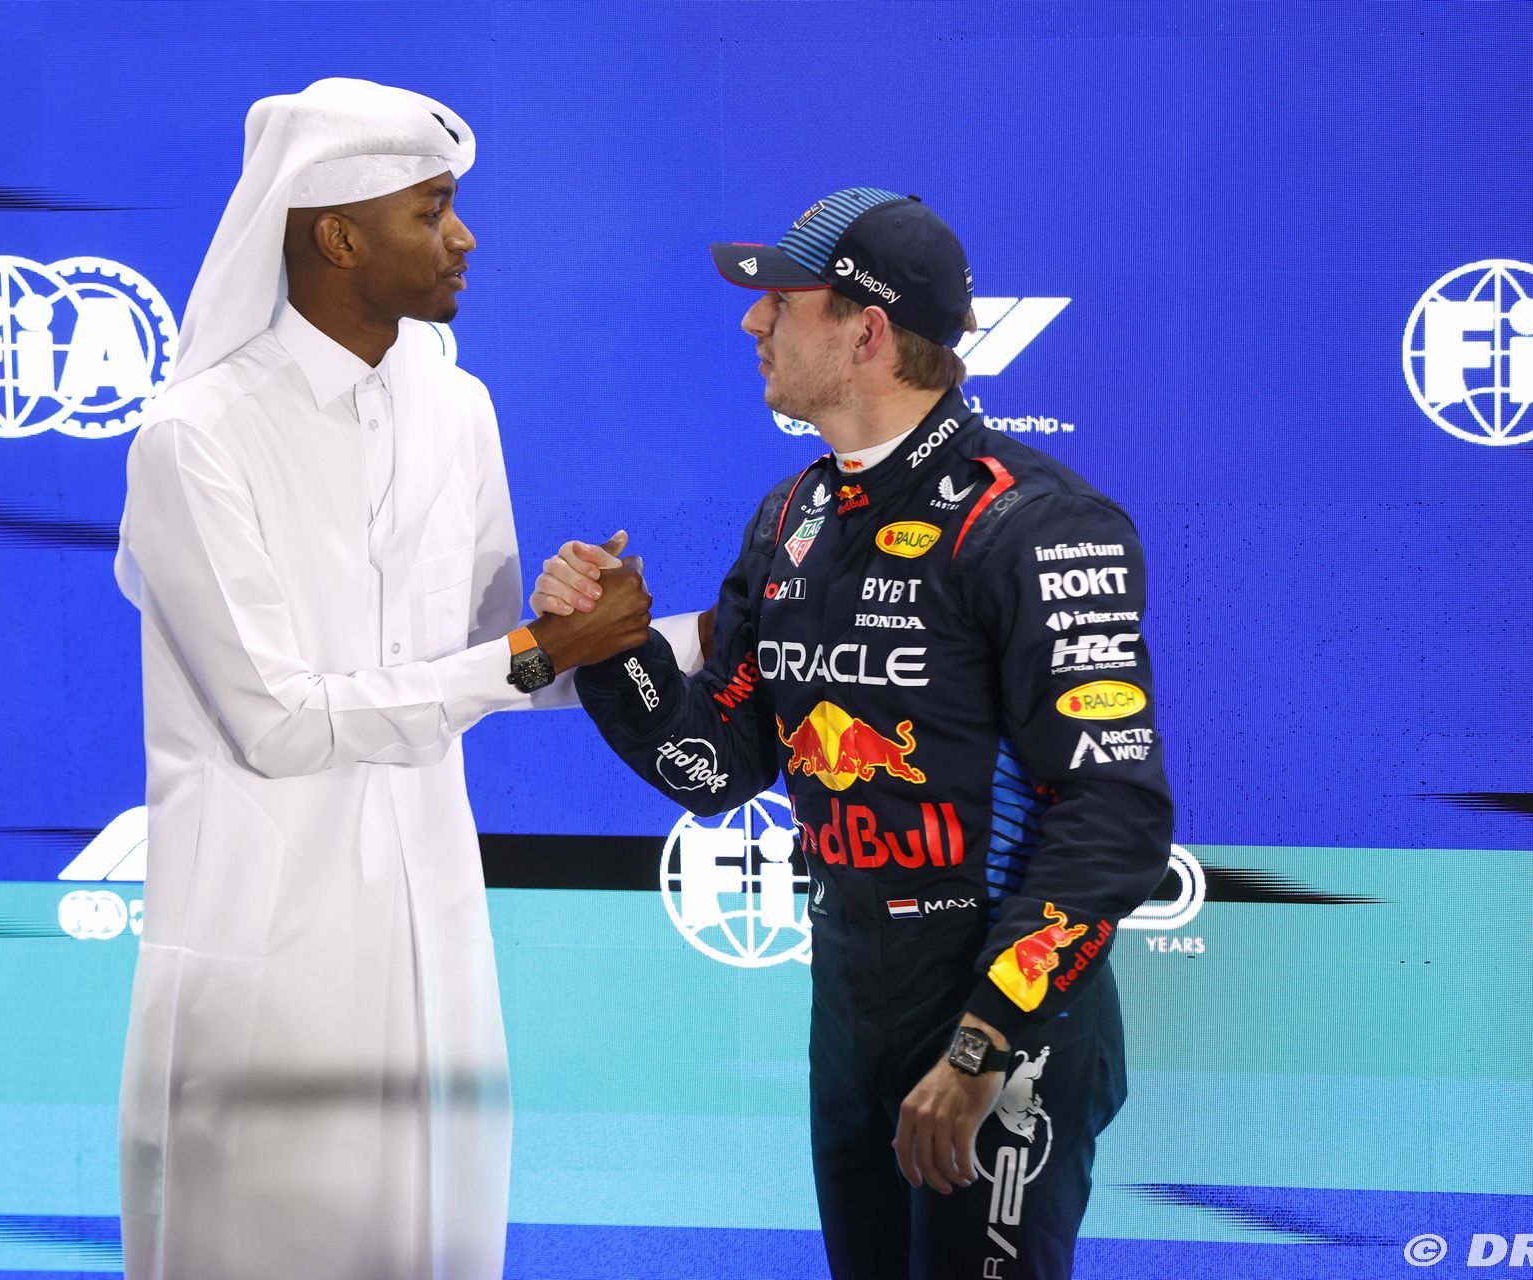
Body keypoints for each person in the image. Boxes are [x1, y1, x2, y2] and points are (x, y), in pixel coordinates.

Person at [112, 78, 701, 1280]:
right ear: (338, 237)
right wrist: (536, 650)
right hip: (269, 953)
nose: (464, 237)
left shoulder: (458, 404)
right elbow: (279, 722)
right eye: (432, 210)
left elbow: (492, 664)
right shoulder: (196, 436)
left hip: (438, 936)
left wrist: (668, 633)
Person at [537, 188, 1173, 1278]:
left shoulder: (1038, 522)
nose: (753, 320)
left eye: (781, 300)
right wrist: (614, 649)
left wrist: (983, 1040)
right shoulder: (793, 516)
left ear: (867, 331)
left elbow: (1113, 817)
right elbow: (716, 764)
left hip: (998, 1012)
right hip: (852, 997)